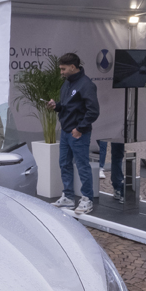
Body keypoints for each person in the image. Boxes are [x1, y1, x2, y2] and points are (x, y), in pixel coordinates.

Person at [47, 53, 100, 215]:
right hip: (65, 132)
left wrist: (80, 129)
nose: (61, 72)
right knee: (64, 164)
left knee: (82, 166)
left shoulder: (86, 85)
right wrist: (57, 106)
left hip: (78, 133)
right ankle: (68, 197)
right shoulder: (67, 84)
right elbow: (67, 106)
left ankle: (87, 199)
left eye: (63, 69)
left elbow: (93, 111)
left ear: (72, 67)